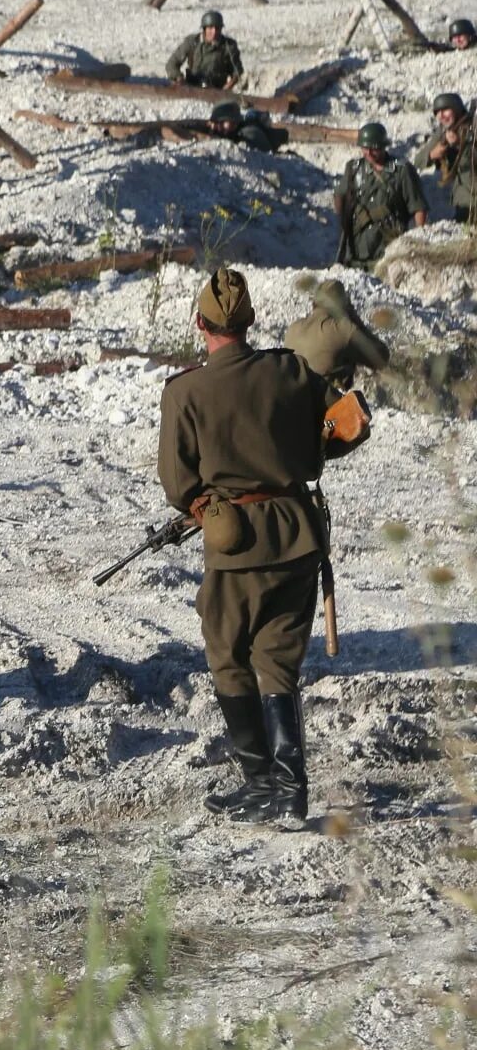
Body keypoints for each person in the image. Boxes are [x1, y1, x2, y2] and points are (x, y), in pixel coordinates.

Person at [158, 269, 341, 827]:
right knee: (277, 662)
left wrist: (203, 506)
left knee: (227, 654)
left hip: (237, 547)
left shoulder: (186, 390)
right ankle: (292, 790)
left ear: (200, 324)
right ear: (251, 322)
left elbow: (176, 482)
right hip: (299, 534)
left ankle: (261, 783)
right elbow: (335, 430)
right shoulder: (290, 370)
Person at [334, 123, 426, 267]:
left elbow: (418, 207)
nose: (369, 153)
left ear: (383, 146)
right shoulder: (354, 168)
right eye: (365, 148)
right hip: (358, 248)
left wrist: (420, 241)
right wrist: (344, 222)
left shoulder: (401, 170)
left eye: (374, 148)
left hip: (389, 251)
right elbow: (340, 196)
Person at [283, 279, 390, 390]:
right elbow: (382, 357)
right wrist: (353, 317)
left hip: (292, 399)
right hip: (322, 402)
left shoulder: (293, 328)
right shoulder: (342, 329)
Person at [418, 92, 475, 224]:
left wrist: (461, 144)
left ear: (456, 108)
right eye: (437, 112)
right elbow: (418, 160)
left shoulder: (473, 126)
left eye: (445, 110)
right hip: (463, 199)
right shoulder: (444, 131)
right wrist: (432, 155)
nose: (441, 116)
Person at [166, 10, 243, 90]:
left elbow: (237, 72)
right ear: (204, 29)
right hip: (191, 88)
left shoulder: (228, 45)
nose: (214, 32)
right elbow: (171, 64)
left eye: (217, 28)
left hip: (216, 89)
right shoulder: (192, 42)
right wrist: (179, 78)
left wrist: (226, 88)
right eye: (210, 28)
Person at [206, 101, 283, 153]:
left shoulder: (249, 133)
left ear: (235, 122)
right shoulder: (226, 131)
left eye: (222, 122)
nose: (218, 126)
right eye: (216, 122)